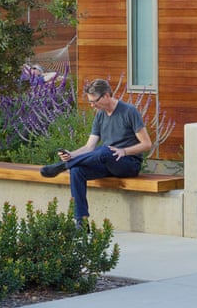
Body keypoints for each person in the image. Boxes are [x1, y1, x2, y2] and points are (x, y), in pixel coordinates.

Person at [40, 78, 152, 222]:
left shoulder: (129, 111)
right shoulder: (100, 115)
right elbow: (89, 147)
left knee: (105, 150)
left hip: (128, 163)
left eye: (94, 101)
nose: (92, 105)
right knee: (77, 171)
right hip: (107, 162)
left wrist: (123, 151)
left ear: (106, 95)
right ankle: (81, 221)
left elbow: (147, 144)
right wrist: (71, 154)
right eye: (90, 102)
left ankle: (64, 166)